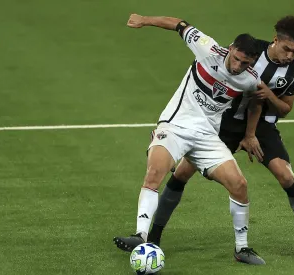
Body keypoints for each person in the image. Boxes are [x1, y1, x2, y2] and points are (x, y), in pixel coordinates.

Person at [147, 16, 294, 259]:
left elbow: (284, 109)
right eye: (287, 49)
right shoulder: (250, 50)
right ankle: (153, 237)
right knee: (181, 173)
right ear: (276, 40)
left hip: (262, 127)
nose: (290, 56)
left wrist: (268, 100)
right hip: (225, 123)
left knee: (286, 176)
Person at [113, 13, 267, 265]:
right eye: (236, 59)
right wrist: (144, 20)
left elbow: (254, 105)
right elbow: (178, 24)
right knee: (155, 171)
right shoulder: (206, 48)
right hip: (175, 126)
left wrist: (250, 134)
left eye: (244, 62)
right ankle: (141, 235)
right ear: (231, 49)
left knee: (239, 184)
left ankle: (242, 249)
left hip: (207, 137)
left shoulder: (250, 79)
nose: (237, 66)